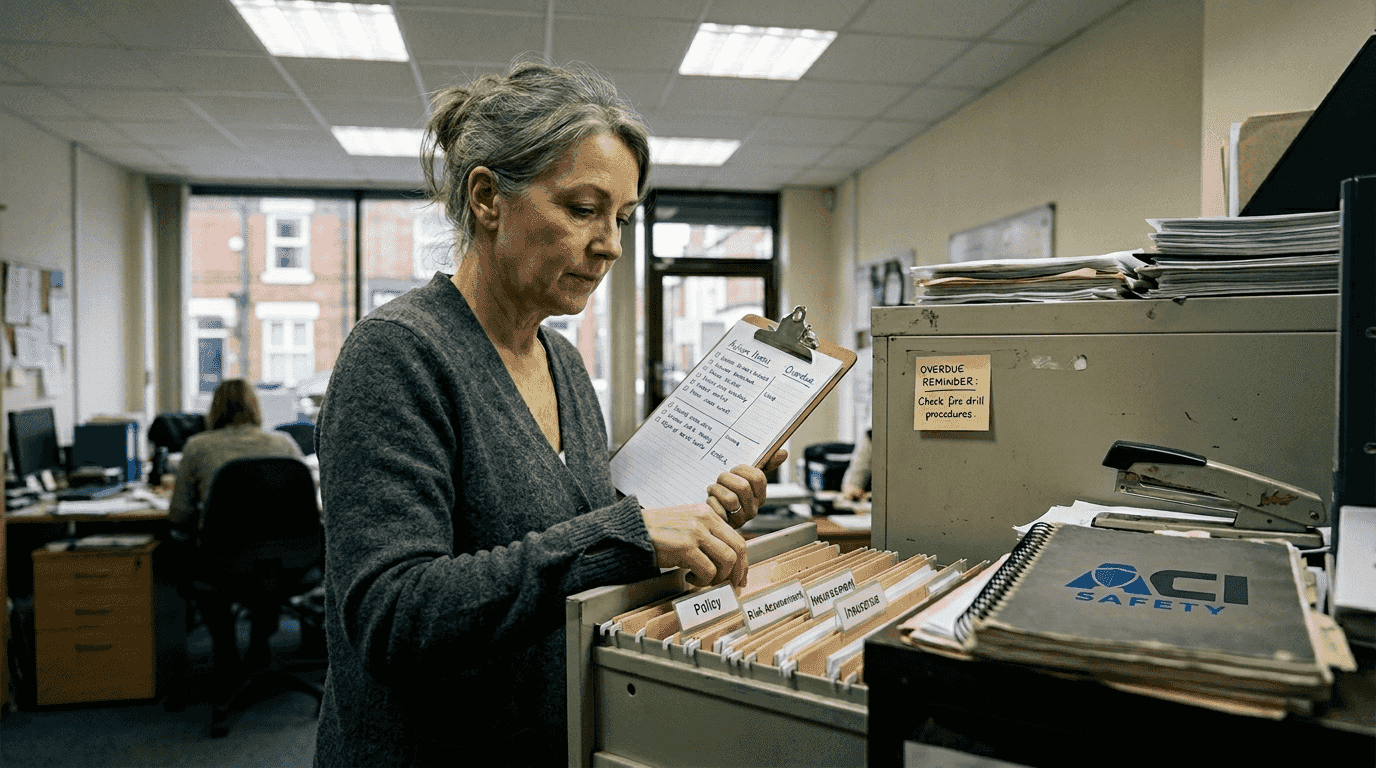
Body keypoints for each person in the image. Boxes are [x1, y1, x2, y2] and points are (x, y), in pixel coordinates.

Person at [312, 60, 787, 767]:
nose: (612, 245)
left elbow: (586, 545)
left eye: (622, 219)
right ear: (486, 199)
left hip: (553, 737)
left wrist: (696, 524)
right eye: (583, 209)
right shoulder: (399, 354)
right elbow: (393, 614)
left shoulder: (563, 364)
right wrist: (629, 535)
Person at [166, 378, 306, 676]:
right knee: (264, 565)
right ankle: (259, 644)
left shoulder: (197, 447)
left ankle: (225, 649)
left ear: (213, 409)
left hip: (221, 560)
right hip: (285, 562)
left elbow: (178, 515)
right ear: (255, 407)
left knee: (210, 566)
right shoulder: (283, 443)